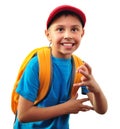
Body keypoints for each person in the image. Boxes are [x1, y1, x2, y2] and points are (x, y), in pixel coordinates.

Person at [13, 4, 108, 129]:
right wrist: (66, 108)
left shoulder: (80, 66)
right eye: (60, 29)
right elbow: (23, 115)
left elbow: (101, 110)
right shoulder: (37, 65)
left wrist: (96, 89)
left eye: (74, 29)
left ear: (82, 33)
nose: (68, 35)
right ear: (48, 34)